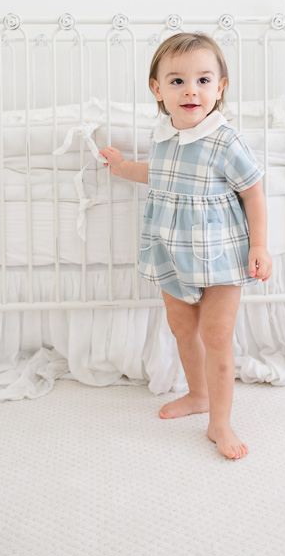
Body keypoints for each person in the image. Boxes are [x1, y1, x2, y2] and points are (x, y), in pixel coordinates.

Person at [99, 32, 272, 460]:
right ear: (157, 89)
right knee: (181, 326)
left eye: (202, 80)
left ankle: (221, 421)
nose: (190, 90)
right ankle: (198, 395)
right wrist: (122, 168)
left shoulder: (225, 140)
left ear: (220, 86)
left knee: (216, 333)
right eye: (176, 81)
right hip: (170, 248)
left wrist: (260, 247)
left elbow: (254, 194)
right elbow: (159, 175)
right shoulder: (163, 135)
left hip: (220, 253)